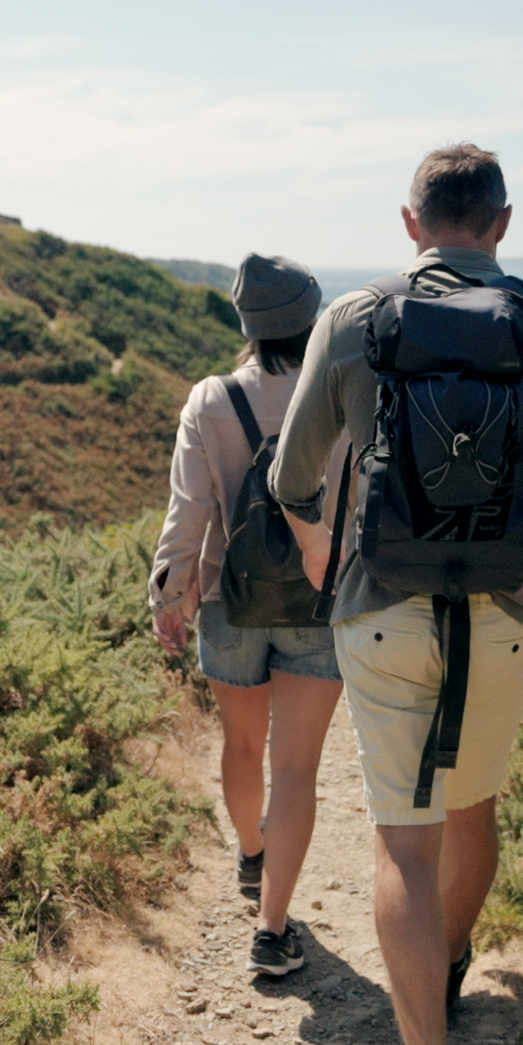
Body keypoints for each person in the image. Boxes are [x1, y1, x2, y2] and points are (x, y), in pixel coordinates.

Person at [269, 144, 523, 1045]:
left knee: (402, 841)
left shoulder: (353, 319)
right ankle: (451, 958)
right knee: (472, 802)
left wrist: (318, 547)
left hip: (380, 611)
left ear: (409, 221)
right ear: (502, 224)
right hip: (507, 616)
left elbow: (293, 476)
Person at [149, 253, 350, 977]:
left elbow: (188, 512)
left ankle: (253, 855)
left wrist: (169, 598)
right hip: (320, 600)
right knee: (296, 769)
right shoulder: (344, 394)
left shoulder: (210, 400)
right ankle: (272, 929)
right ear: (312, 316)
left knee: (240, 748)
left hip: (229, 604)